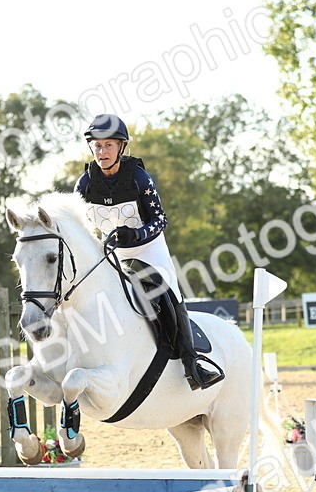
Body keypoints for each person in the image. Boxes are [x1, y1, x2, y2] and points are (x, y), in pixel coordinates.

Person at [74, 113, 223, 389]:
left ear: (121, 147)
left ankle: (192, 364)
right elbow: (80, 228)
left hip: (148, 250)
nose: (102, 151)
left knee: (168, 293)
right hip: (112, 254)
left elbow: (160, 219)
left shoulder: (139, 178)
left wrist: (136, 234)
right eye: (97, 145)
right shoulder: (84, 185)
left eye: (108, 145)